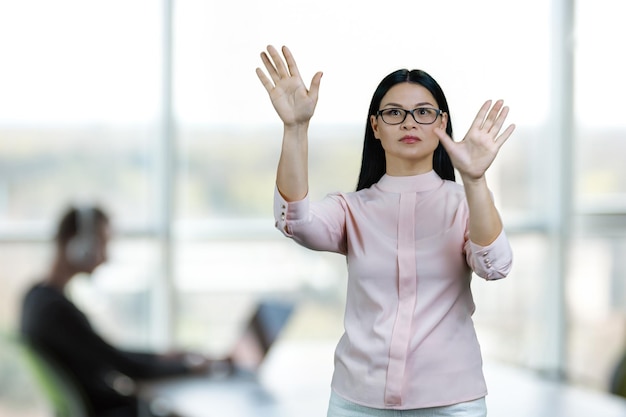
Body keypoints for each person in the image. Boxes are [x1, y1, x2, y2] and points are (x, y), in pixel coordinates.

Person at [256, 45, 515, 417]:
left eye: (423, 113)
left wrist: (474, 180)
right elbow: (294, 222)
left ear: (442, 124)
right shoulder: (352, 208)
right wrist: (295, 128)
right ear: (375, 126)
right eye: (394, 113)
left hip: (450, 401)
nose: (409, 123)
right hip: (357, 400)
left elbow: (496, 266)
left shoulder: (464, 203)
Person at [20, 205, 225, 417]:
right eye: (102, 243)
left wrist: (162, 357)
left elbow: (105, 352)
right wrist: (188, 368)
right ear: (78, 244)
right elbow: (122, 365)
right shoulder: (55, 311)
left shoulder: (35, 297)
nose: (106, 257)